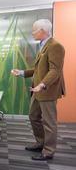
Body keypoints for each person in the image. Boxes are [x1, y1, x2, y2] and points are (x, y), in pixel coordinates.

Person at [11, 19, 65, 161]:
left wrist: (42, 85)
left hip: (46, 90)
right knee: (33, 116)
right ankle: (40, 143)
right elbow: (39, 69)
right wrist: (22, 73)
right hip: (37, 89)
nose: (32, 33)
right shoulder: (43, 45)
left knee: (49, 121)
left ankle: (48, 151)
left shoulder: (55, 46)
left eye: (34, 30)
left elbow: (55, 71)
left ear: (42, 31)